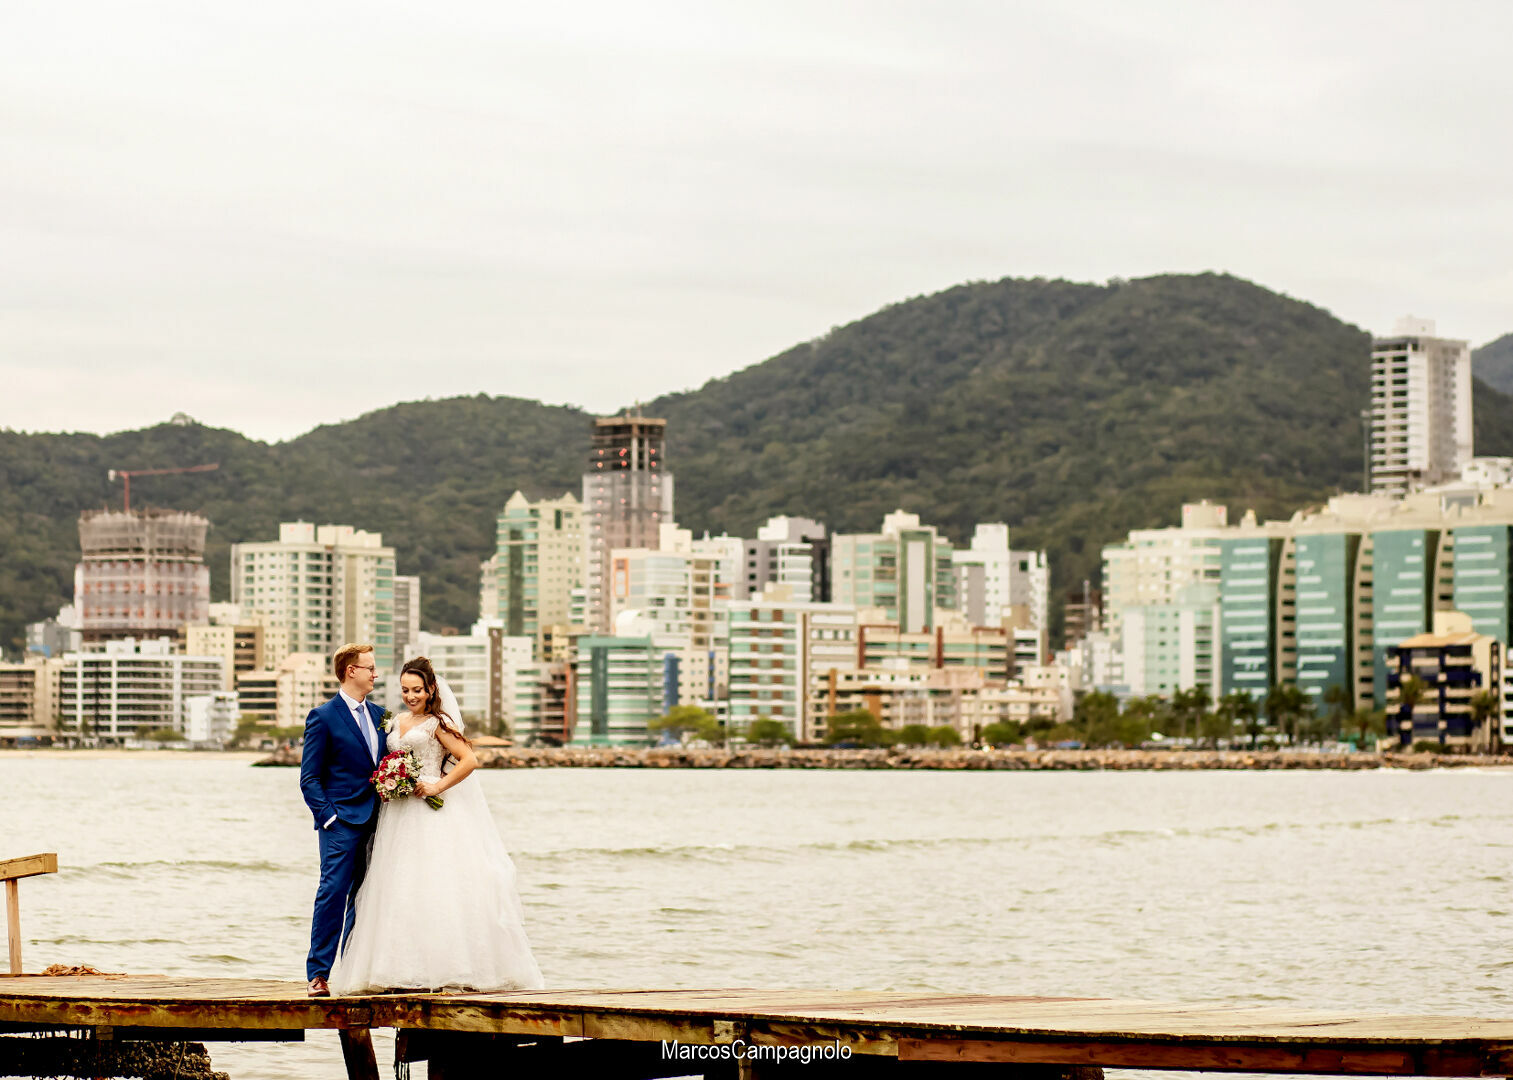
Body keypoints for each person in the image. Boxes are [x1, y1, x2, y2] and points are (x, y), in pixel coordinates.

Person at [328, 656, 544, 994]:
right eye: (405, 690)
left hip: (428, 811)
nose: (411, 696)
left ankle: (445, 967)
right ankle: (397, 969)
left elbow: (470, 759)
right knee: (397, 884)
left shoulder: (436, 724)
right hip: (397, 814)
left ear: (430, 689)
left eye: (417, 690)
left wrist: (436, 786)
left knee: (433, 882)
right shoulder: (395, 720)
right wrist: (389, 780)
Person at [299, 643, 385, 998]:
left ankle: (352, 970)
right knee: (332, 893)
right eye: (370, 667)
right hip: (340, 822)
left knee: (365, 898)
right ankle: (318, 974)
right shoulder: (323, 716)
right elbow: (309, 778)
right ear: (351, 671)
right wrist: (329, 817)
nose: (375, 673)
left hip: (378, 821)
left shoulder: (381, 714)